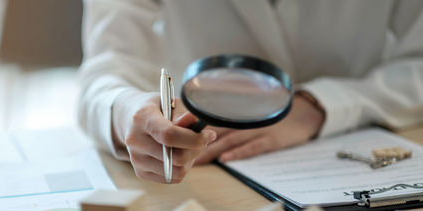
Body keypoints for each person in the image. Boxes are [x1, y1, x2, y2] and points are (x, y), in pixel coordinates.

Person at [78, 0, 423, 184]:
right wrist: (128, 111)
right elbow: (105, 73)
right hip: (207, 164)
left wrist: (319, 106)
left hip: (352, 154)